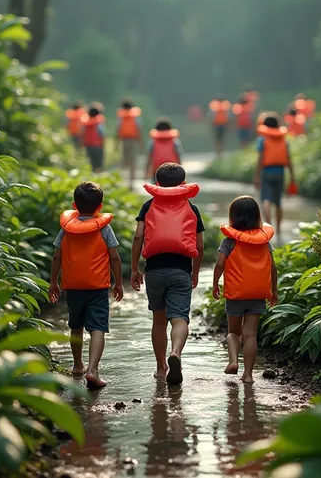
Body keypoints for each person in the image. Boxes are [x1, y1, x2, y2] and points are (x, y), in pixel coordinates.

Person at [130, 163, 205, 385]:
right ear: (183, 184)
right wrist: (196, 272)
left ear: (158, 184)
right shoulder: (190, 207)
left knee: (159, 321)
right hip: (180, 270)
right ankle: (176, 353)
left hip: (154, 270)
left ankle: (161, 367)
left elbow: (138, 237)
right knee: (179, 318)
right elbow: (199, 246)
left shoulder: (148, 205)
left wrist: (134, 269)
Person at [48, 181, 123, 390]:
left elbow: (57, 257)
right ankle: (93, 369)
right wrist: (117, 282)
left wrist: (53, 282)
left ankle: (77, 365)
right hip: (98, 287)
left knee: (75, 325)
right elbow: (115, 258)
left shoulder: (66, 229)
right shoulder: (105, 229)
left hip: (72, 287)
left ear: (74, 205)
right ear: (99, 207)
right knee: (98, 327)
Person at [212, 195, 277, 384]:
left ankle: (233, 361)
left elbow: (220, 264)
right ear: (257, 216)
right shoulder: (264, 240)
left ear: (233, 217)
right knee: (250, 335)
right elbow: (273, 267)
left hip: (235, 295)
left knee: (234, 332)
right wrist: (274, 291)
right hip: (257, 294)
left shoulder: (229, 242)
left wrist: (215, 283)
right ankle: (248, 375)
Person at [254, 115, 295, 239]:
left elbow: (260, 159)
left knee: (266, 200)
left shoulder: (262, 139)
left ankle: (268, 227)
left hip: (266, 171)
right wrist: (292, 177)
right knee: (278, 202)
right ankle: (279, 229)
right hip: (280, 172)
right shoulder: (284, 140)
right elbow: (289, 159)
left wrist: (256, 176)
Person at [116, 100, 143, 188]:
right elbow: (138, 129)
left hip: (123, 140)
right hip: (133, 140)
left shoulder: (121, 116)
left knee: (124, 160)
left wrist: (116, 142)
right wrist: (140, 142)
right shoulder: (135, 116)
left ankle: (122, 180)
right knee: (132, 161)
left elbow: (118, 129)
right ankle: (131, 182)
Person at [83, 103, 106, 173]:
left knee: (91, 163)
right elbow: (102, 134)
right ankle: (98, 179)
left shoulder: (86, 123)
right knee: (98, 165)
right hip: (97, 146)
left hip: (88, 146)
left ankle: (91, 178)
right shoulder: (98, 123)